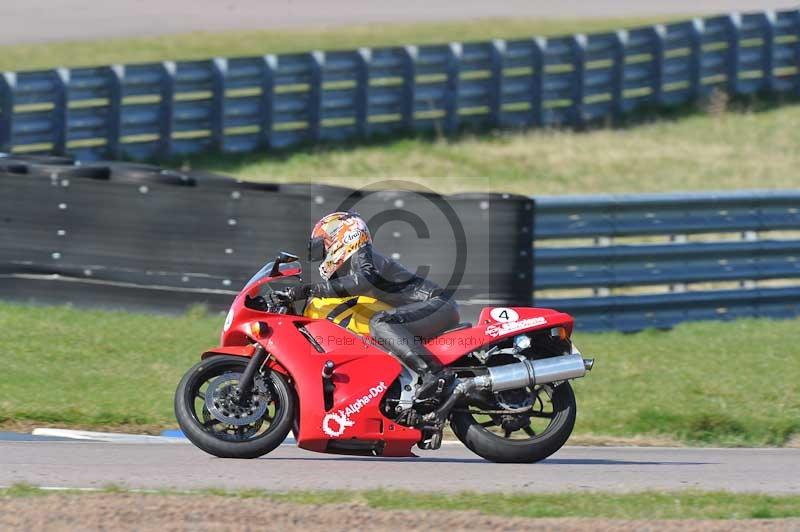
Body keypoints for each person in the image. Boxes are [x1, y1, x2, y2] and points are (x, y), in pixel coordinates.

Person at [274, 211, 459, 399]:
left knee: (380, 322)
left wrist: (308, 290)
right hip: (428, 308)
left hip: (436, 304)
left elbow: (363, 281)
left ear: (345, 236)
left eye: (327, 243)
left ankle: (435, 374)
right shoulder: (354, 264)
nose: (326, 251)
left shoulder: (363, 255)